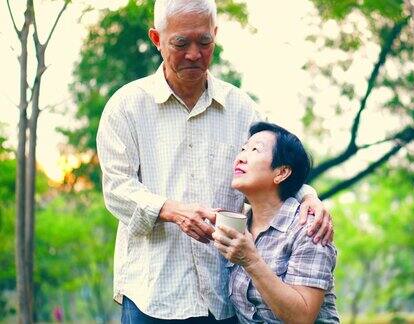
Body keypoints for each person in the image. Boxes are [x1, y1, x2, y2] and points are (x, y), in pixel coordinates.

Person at [96, 0, 334, 322]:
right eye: (181, 43)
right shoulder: (126, 107)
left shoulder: (242, 108)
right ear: (157, 39)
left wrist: (309, 196)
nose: (194, 54)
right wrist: (175, 212)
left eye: (204, 42)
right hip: (153, 295)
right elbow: (117, 190)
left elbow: (273, 165)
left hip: (224, 294)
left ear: (215, 35)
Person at [213, 122, 339, 323]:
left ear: (281, 173)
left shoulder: (309, 227)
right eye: (243, 149)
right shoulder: (241, 227)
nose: (241, 157)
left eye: (255, 150)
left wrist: (251, 260)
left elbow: (302, 318)